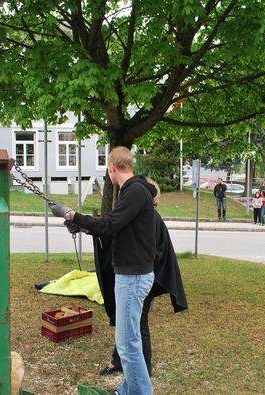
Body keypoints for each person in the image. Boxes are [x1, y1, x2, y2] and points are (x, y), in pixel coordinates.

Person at [49, 146, 156, 395]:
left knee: (127, 343)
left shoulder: (134, 191)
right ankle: (127, 390)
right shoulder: (134, 191)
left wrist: (71, 213)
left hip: (133, 277)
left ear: (112, 167)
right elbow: (116, 229)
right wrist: (82, 226)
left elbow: (110, 225)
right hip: (132, 274)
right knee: (131, 340)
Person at [96, 178, 188, 379]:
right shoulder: (139, 215)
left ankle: (144, 370)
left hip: (143, 278)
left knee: (139, 323)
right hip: (134, 276)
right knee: (127, 322)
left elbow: (156, 253)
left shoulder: (151, 218)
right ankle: (118, 361)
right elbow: (114, 230)